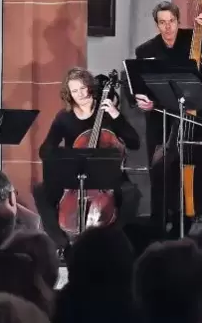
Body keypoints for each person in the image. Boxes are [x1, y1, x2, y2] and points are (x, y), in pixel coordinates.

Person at [133, 0, 202, 234]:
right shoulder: (146, 50)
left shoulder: (193, 39)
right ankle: (158, 225)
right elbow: (137, 89)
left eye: (172, 21)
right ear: (156, 24)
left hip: (192, 119)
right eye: (162, 23)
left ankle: (185, 219)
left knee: (188, 170)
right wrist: (142, 101)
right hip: (160, 119)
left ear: (178, 21)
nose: (168, 27)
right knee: (159, 172)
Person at [34, 67, 141, 251]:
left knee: (131, 193)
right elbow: (45, 149)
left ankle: (109, 239)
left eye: (83, 88)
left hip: (106, 178)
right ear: (69, 94)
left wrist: (116, 116)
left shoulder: (107, 112)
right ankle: (63, 244)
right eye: (74, 91)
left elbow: (134, 142)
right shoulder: (64, 118)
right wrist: (59, 155)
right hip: (74, 178)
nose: (80, 94)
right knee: (41, 191)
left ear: (90, 87)